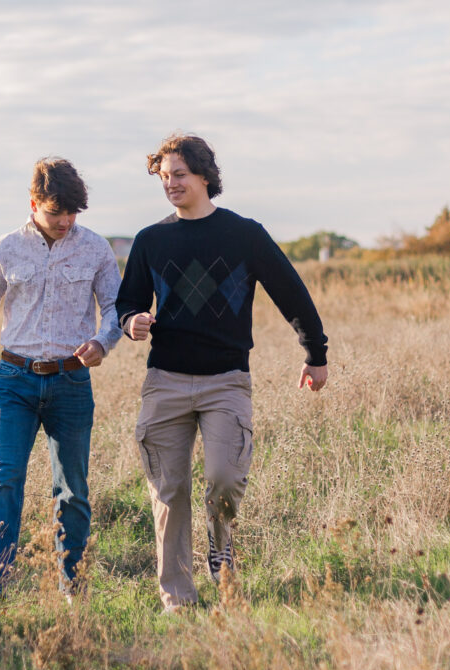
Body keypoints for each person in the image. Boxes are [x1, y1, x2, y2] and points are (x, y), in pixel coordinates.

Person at [116, 133, 328, 612]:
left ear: (205, 176)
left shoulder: (244, 235)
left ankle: (220, 543)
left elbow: (291, 293)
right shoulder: (151, 240)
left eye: (180, 175)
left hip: (225, 381)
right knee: (168, 494)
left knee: (225, 478)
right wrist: (132, 321)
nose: (171, 184)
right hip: (165, 381)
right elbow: (127, 301)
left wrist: (315, 353)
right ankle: (179, 600)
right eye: (164, 177)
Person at [0, 156, 122, 597]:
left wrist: (103, 342)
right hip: (15, 380)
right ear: (33, 203)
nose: (65, 221)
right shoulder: (6, 248)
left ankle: (74, 590)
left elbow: (114, 309)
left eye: (72, 213)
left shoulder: (96, 248)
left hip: (71, 382)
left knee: (73, 491)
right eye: (55, 212)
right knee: (4, 480)